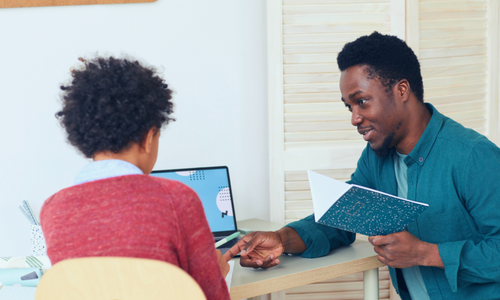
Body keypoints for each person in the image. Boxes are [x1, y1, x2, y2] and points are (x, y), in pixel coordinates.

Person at [226, 32, 500, 299]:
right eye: (349, 107)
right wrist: (281, 239)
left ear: (401, 90)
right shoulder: (376, 156)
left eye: (362, 102)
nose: (355, 118)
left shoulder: (474, 156)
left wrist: (423, 252)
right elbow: (341, 218)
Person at [40, 56, 231, 300]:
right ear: (149, 137)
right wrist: (217, 270)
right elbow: (211, 296)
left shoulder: (53, 209)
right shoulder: (177, 199)